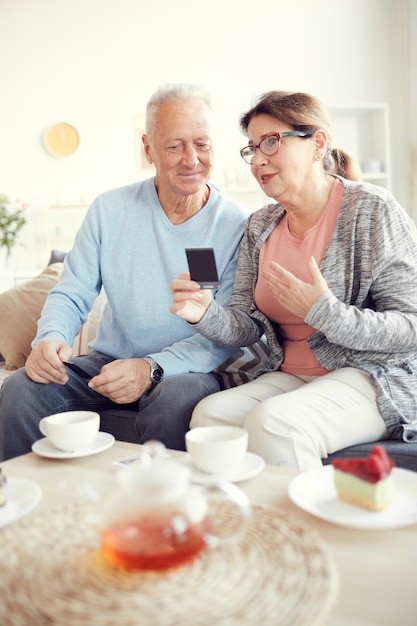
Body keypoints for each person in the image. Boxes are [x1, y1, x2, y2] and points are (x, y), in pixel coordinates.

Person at [170, 90, 417, 471]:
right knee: (211, 417)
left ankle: (304, 529)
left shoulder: (372, 210)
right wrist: (205, 313)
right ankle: (251, 524)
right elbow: (247, 326)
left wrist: (326, 313)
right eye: (252, 148)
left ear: (317, 143)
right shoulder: (261, 225)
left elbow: (411, 326)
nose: (259, 159)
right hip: (292, 374)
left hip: (373, 374)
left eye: (272, 141)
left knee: (275, 424)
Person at [0, 83, 248, 461]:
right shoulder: (109, 210)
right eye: (174, 145)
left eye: (202, 143)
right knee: (21, 388)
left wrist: (151, 368)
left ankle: (158, 512)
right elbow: (73, 290)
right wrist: (49, 338)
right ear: (147, 148)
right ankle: (20, 507)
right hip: (108, 363)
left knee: (176, 399)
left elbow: (225, 333)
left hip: (186, 369)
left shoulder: (236, 225)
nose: (191, 159)